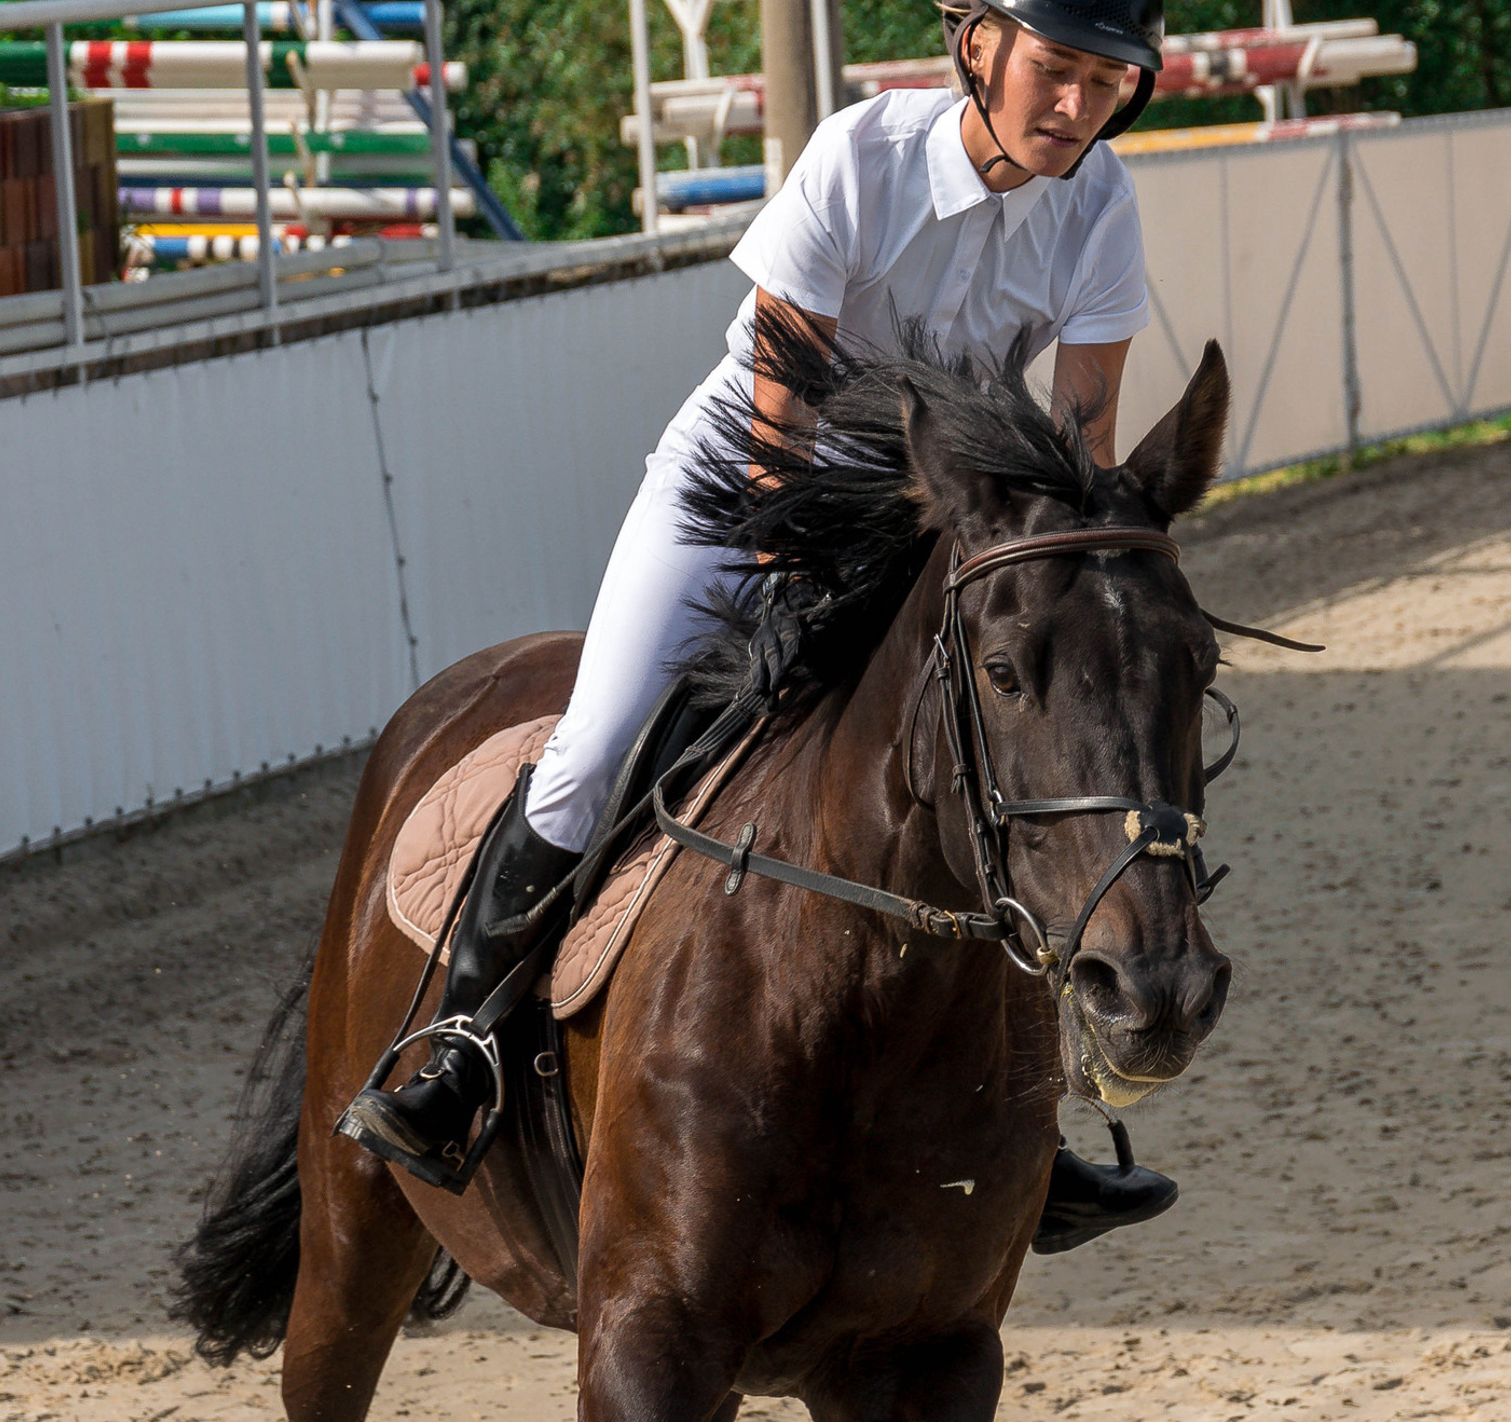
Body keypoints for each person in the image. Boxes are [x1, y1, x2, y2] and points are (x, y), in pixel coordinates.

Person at [340, 0, 1179, 1251]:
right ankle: (457, 1047)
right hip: (748, 492)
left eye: (1109, 84)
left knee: (989, 785)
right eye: (1056, 71)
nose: (1077, 107)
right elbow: (781, 409)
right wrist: (802, 583)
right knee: (598, 743)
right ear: (980, 47)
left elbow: (1082, 443)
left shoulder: (1100, 204)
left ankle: (1027, 1126)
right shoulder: (860, 157)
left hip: (937, 520)